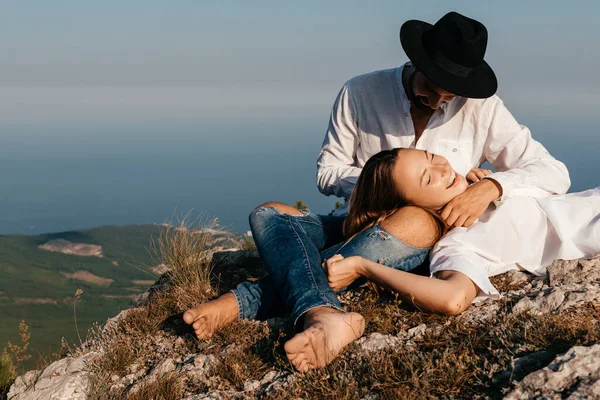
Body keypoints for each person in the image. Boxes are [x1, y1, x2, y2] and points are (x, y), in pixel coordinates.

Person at [183, 11, 571, 373]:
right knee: (268, 214)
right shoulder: (361, 92)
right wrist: (381, 189)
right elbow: (328, 170)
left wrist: (491, 185)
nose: (437, 102)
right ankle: (305, 307)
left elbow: (553, 172)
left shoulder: (483, 109)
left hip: (417, 230)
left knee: (412, 219)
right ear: (418, 63)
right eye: (430, 91)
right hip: (364, 216)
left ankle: (259, 304)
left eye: (449, 97)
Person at [324, 147, 600, 315]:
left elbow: (556, 182)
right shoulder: (457, 243)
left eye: (432, 156)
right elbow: (452, 299)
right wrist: (364, 267)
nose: (442, 168)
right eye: (429, 178)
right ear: (412, 207)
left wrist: (493, 185)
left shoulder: (484, 186)